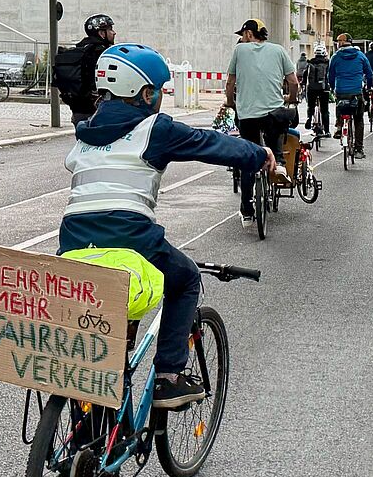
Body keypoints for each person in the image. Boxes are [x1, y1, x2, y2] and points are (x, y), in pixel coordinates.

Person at [62, 43, 273, 407]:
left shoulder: (85, 134)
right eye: (158, 90)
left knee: (100, 299)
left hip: (73, 240)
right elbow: (209, 143)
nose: (160, 98)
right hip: (131, 236)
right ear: (145, 93)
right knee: (186, 277)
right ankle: (168, 377)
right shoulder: (152, 129)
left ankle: (88, 416)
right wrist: (259, 154)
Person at [223, 19, 298, 228]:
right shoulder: (279, 50)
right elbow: (293, 82)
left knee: (249, 158)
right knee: (276, 132)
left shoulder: (240, 51)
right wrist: (291, 99)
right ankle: (280, 164)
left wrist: (231, 102)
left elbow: (230, 82)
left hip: (247, 114)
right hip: (273, 112)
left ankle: (247, 212)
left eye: (243, 34)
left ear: (248, 34)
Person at [53, 13, 116, 124]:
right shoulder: (101, 53)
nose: (114, 33)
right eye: (110, 29)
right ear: (102, 33)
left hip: (77, 109)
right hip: (95, 110)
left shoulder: (81, 49)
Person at [328, 33, 373, 157]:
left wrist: (332, 87)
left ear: (342, 43)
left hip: (341, 91)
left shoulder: (336, 57)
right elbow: (369, 73)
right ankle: (359, 149)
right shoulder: (360, 56)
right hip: (356, 92)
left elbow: (330, 75)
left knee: (340, 105)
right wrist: (369, 87)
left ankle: (339, 125)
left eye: (338, 41)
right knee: (358, 120)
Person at [304, 46, 331, 134]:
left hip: (311, 88)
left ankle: (309, 118)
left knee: (311, 106)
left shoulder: (310, 63)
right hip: (324, 89)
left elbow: (305, 76)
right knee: (325, 110)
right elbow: (330, 76)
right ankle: (327, 131)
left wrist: (304, 84)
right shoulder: (327, 63)